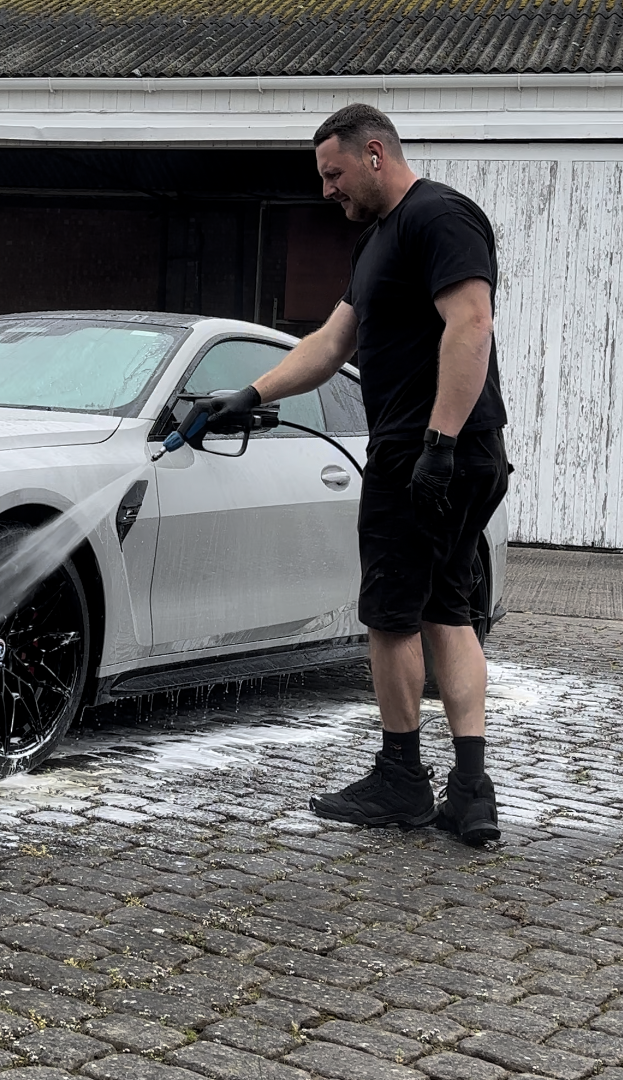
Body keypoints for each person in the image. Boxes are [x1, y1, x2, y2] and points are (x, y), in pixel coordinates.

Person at [209, 103, 509, 845]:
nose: (327, 190)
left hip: (427, 450)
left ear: (374, 154)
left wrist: (437, 443)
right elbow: (331, 343)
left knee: (390, 615)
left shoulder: (437, 216)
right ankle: (470, 793)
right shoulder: (377, 240)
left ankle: (401, 778)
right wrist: (249, 394)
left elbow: (471, 322)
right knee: (446, 610)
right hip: (447, 449)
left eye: (333, 173)